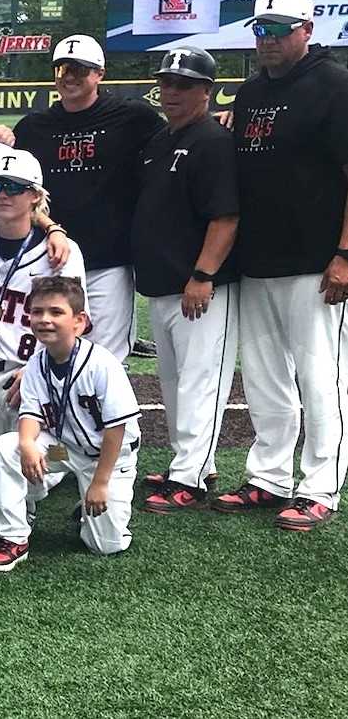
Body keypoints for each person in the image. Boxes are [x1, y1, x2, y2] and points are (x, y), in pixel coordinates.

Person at [216, 0, 348, 531]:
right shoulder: (249, 93)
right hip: (258, 257)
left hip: (315, 260)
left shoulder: (335, 85)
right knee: (266, 376)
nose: (266, 39)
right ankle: (269, 476)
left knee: (322, 376)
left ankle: (321, 485)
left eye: (278, 29)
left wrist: (344, 253)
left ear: (307, 30)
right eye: (260, 29)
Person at [133, 46, 239, 514]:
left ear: (206, 92)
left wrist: (203, 274)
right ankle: (195, 463)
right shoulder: (160, 140)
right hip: (163, 283)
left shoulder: (213, 141)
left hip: (200, 287)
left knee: (200, 381)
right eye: (168, 83)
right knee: (175, 381)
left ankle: (190, 477)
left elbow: (226, 217)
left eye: (185, 84)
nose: (172, 91)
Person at [13, 34, 164, 361]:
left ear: (99, 73)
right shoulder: (34, 127)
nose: (68, 77)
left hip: (108, 259)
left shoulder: (133, 118)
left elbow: (179, 139)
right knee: (46, 353)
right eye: (61, 68)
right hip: (50, 257)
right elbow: (18, 185)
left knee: (104, 358)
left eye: (79, 69)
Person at [0, 276, 140, 570]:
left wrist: (100, 482)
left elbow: (115, 429)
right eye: (38, 311)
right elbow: (30, 413)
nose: (45, 319)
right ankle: (14, 537)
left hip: (105, 458)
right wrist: (28, 444)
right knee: (8, 448)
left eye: (56, 312)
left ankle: (89, 501)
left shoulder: (102, 364)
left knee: (105, 546)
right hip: (64, 451)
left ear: (79, 321)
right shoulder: (36, 363)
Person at [0, 149, 84, 468]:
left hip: (26, 370)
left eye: (14, 187)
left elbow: (74, 326)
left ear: (34, 195)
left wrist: (37, 369)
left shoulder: (61, 254)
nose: (2, 194)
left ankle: (70, 462)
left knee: (40, 467)